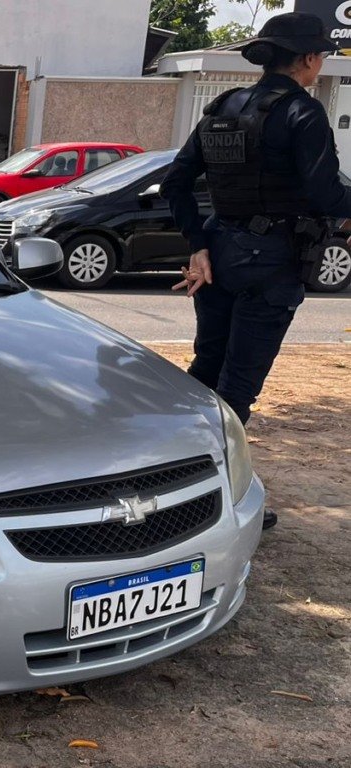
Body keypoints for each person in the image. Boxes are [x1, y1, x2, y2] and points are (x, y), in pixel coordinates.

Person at [161, 11, 351, 531]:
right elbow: (324, 193)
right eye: (322, 58)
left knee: (206, 376)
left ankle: (166, 478)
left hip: (219, 254)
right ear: (310, 59)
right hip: (272, 262)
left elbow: (174, 185)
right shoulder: (303, 114)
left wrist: (198, 244)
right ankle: (213, 504)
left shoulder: (221, 108)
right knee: (236, 389)